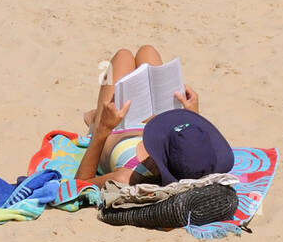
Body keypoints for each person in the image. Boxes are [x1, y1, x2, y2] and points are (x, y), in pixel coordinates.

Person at [73, 45, 234, 189]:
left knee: (123, 56)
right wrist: (192, 114)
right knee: (147, 51)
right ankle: (94, 116)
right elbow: (192, 146)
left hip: (114, 127)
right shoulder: (194, 161)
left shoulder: (128, 177)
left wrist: (102, 128)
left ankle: (94, 120)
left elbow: (79, 185)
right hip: (153, 127)